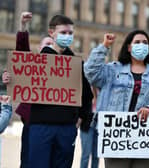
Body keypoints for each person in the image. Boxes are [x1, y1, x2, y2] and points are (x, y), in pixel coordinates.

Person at [3, 12, 93, 168]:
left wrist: (79, 120)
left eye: (70, 33)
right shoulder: (39, 61)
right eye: (63, 33)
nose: (67, 36)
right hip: (40, 125)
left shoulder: (76, 64)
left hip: (66, 128)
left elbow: (86, 95)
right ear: (52, 33)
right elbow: (21, 59)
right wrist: (11, 77)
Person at [84, 30, 149, 168]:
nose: (142, 45)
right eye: (137, 42)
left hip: (146, 141)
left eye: (145, 42)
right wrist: (104, 46)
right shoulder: (112, 70)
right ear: (129, 47)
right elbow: (90, 72)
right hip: (116, 141)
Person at [80, 87, 99, 168]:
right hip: (87, 125)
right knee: (86, 155)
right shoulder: (86, 87)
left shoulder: (102, 87)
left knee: (96, 155)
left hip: (99, 125)